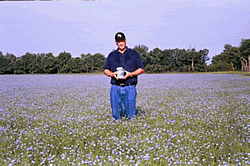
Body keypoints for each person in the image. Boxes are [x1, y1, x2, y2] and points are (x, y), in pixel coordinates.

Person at [104, 32, 145, 120]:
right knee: (115, 114)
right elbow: (105, 70)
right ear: (116, 42)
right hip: (115, 87)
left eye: (122, 40)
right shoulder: (112, 55)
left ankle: (132, 130)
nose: (121, 43)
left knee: (131, 114)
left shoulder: (133, 54)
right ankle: (116, 130)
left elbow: (141, 69)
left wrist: (131, 74)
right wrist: (112, 74)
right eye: (119, 41)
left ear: (125, 40)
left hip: (129, 87)